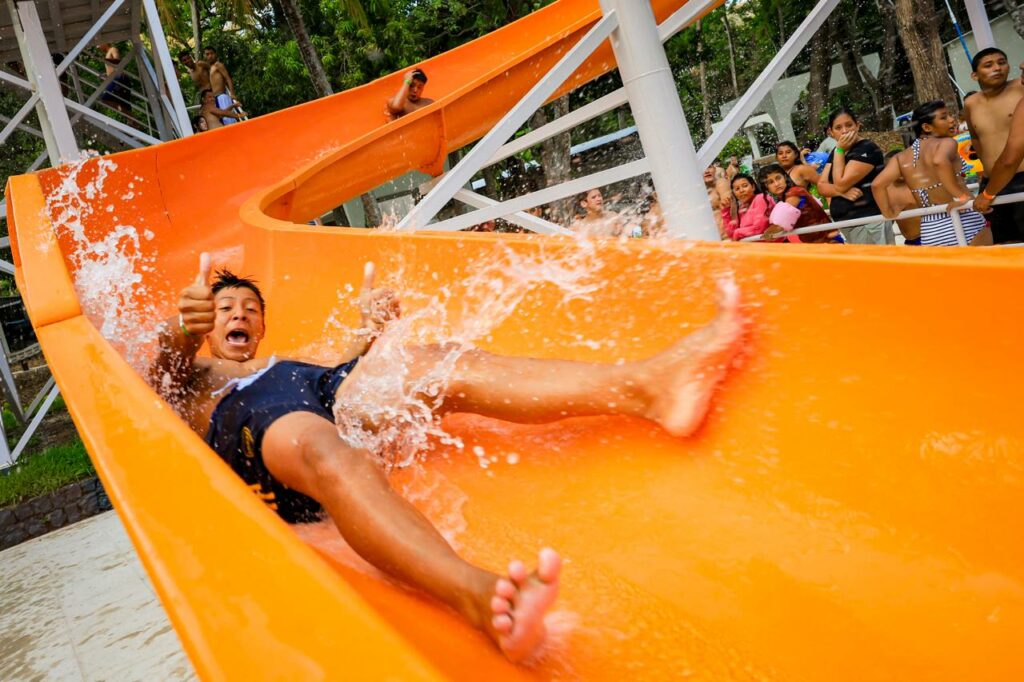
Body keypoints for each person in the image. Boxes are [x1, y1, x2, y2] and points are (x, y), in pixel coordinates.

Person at [147, 255, 744, 663]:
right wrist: (181, 330)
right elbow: (161, 377)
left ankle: (649, 389)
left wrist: (369, 330)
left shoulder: (287, 361)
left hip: (320, 388)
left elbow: (342, 370)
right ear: (207, 322)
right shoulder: (199, 378)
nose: (239, 314)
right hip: (258, 422)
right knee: (333, 455)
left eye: (250, 307)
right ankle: (477, 596)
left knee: (446, 363)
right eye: (224, 308)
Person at [871, 101, 990, 246]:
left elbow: (877, 185)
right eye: (944, 117)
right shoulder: (947, 143)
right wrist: (961, 196)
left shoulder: (900, 157)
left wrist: (888, 213)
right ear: (927, 127)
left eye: (950, 115)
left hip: (930, 231)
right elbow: (939, 161)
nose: (952, 120)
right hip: (965, 220)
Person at [963, 47, 1024, 243]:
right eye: (988, 65)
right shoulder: (971, 103)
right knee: (1005, 244)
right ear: (974, 75)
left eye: (1002, 62)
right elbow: (976, 139)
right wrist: (987, 174)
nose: (997, 68)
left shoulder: (1020, 87)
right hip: (992, 182)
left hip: (1020, 177)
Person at [816, 107, 894, 244]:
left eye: (849, 125)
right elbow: (821, 186)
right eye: (838, 128)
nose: (845, 131)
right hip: (849, 224)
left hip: (869, 221)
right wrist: (841, 193)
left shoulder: (867, 148)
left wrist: (840, 150)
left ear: (857, 126)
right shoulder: (836, 151)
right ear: (831, 132)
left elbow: (841, 183)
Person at [758, 163, 836, 243]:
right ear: (766, 187)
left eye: (778, 178)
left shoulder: (793, 193)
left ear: (785, 177)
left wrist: (766, 234)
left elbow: (780, 226)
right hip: (818, 240)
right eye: (771, 182)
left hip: (827, 239)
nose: (777, 184)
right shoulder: (790, 194)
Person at [878, 151, 923, 245]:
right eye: (895, 168)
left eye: (903, 165)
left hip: (926, 236)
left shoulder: (920, 184)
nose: (900, 170)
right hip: (909, 240)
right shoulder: (885, 190)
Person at [720, 174, 774, 241]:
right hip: (754, 246)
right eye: (737, 189)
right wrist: (726, 211)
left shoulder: (760, 198)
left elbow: (760, 228)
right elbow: (731, 234)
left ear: (753, 187)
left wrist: (737, 233)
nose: (741, 190)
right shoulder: (742, 207)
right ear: (734, 194)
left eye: (745, 186)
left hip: (772, 245)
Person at [204, 47, 244, 125]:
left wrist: (232, 94)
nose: (210, 56)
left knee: (229, 121)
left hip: (222, 97)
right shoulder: (211, 67)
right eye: (207, 54)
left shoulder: (218, 65)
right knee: (224, 121)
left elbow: (228, 78)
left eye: (211, 53)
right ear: (205, 56)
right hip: (216, 98)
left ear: (215, 54)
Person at [98, 43, 131, 115]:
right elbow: (112, 68)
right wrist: (106, 75)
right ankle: (131, 119)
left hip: (119, 79)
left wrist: (104, 59)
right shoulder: (107, 54)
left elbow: (118, 61)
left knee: (104, 98)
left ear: (105, 43)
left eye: (99, 45)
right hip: (114, 79)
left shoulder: (113, 49)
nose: (98, 47)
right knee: (123, 106)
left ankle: (125, 113)